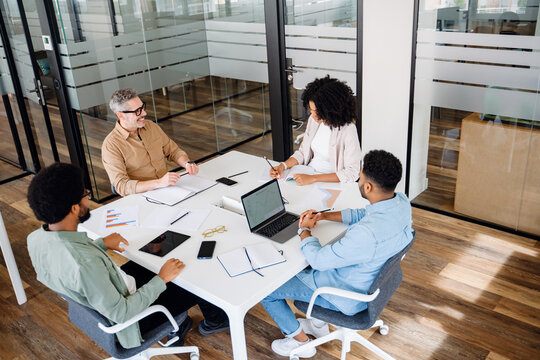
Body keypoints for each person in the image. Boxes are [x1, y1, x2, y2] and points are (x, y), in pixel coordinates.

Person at [26, 163, 229, 350]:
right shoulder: (85, 263)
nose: (88, 197)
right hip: (132, 321)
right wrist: (161, 279)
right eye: (85, 194)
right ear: (74, 208)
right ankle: (215, 319)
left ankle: (181, 320)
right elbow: (122, 312)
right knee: (195, 278)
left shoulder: (36, 238)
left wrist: (101, 244)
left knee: (156, 254)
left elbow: (76, 268)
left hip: (113, 291)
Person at [262, 150, 414, 357]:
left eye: (360, 176)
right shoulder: (401, 202)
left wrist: (304, 230)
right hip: (369, 282)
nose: (359, 179)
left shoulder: (366, 234)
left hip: (344, 294)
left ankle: (300, 343)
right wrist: (323, 216)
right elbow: (364, 214)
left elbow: (318, 261)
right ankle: (317, 325)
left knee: (268, 290)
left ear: (367, 187)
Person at [102, 88, 199, 196]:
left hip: (168, 190)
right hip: (143, 197)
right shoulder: (111, 145)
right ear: (120, 115)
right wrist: (159, 183)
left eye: (142, 107)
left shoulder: (151, 126)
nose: (144, 113)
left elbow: (173, 151)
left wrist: (187, 163)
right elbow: (121, 186)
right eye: (137, 111)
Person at [270, 76, 362, 185]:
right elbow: (303, 153)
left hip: (329, 183)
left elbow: (352, 172)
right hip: (307, 174)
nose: (313, 115)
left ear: (331, 109)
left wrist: (314, 178)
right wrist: (282, 166)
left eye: (317, 111)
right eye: (311, 110)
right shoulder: (314, 122)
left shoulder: (348, 129)